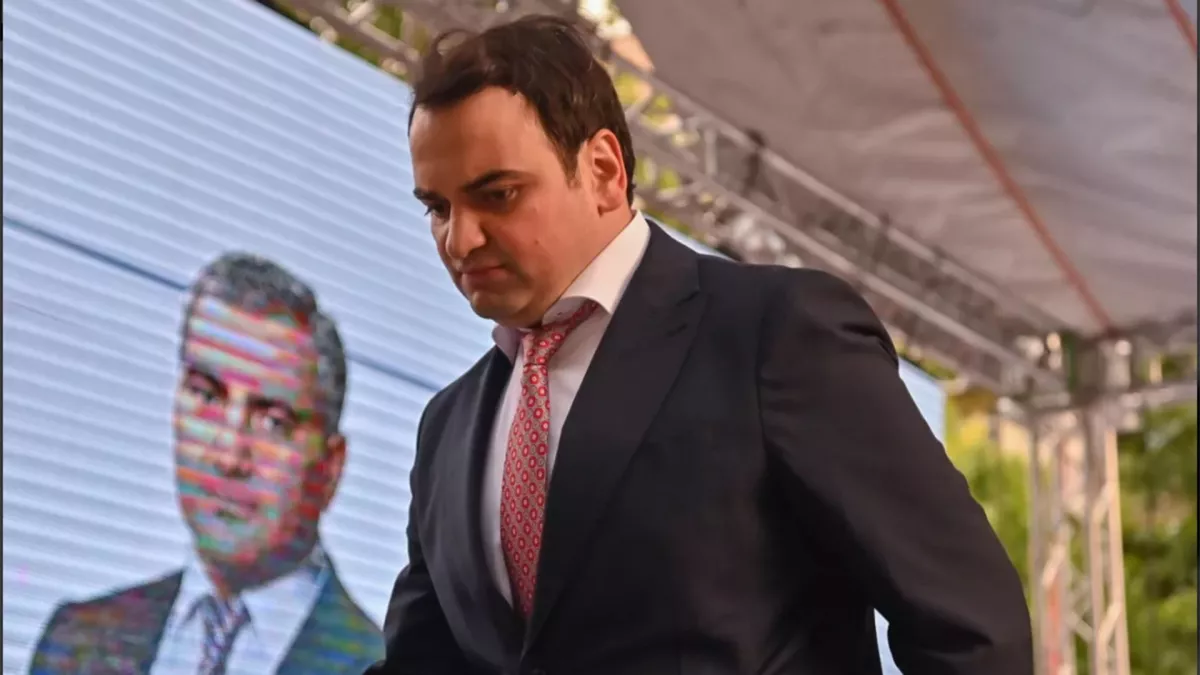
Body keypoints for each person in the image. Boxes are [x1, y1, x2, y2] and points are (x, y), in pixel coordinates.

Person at [370, 14, 1033, 675]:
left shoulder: (778, 335)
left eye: (498, 194)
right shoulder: (448, 427)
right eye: (438, 208)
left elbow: (974, 631)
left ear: (602, 169)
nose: (460, 239)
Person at [29, 253, 384, 675]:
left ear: (330, 468)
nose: (228, 456)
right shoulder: (75, 642)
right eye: (207, 396)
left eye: (274, 422)